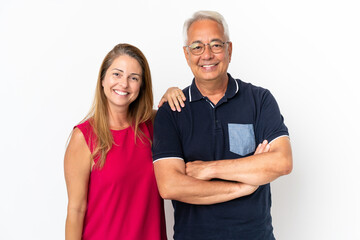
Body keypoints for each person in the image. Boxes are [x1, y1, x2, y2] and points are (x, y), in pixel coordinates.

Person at [152, 11, 293, 240]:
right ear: (187, 55)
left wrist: (209, 169)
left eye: (216, 45)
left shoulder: (259, 100)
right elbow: (171, 185)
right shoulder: (172, 111)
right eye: (197, 47)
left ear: (229, 50)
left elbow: (282, 162)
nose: (207, 55)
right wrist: (244, 185)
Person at [64, 43, 185, 240]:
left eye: (134, 78)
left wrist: (171, 93)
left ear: (141, 86)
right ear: (102, 79)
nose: (124, 84)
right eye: (117, 74)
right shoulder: (84, 137)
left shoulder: (154, 126)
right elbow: (76, 210)